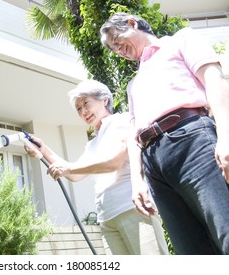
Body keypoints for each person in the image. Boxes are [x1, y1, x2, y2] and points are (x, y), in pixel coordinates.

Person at [100, 12, 229, 254]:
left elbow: (213, 79)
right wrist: (137, 181)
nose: (118, 50)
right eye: (113, 49)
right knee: (190, 250)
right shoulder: (133, 85)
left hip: (192, 142)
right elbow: (134, 132)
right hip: (153, 164)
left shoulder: (180, 40)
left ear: (132, 23)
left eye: (117, 41)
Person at [25, 80, 169, 255]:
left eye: (86, 103)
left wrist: (69, 169)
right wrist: (44, 149)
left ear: (104, 100)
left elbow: (113, 161)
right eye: (78, 109)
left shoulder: (121, 121)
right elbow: (75, 174)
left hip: (131, 208)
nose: (83, 111)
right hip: (107, 219)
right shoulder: (92, 144)